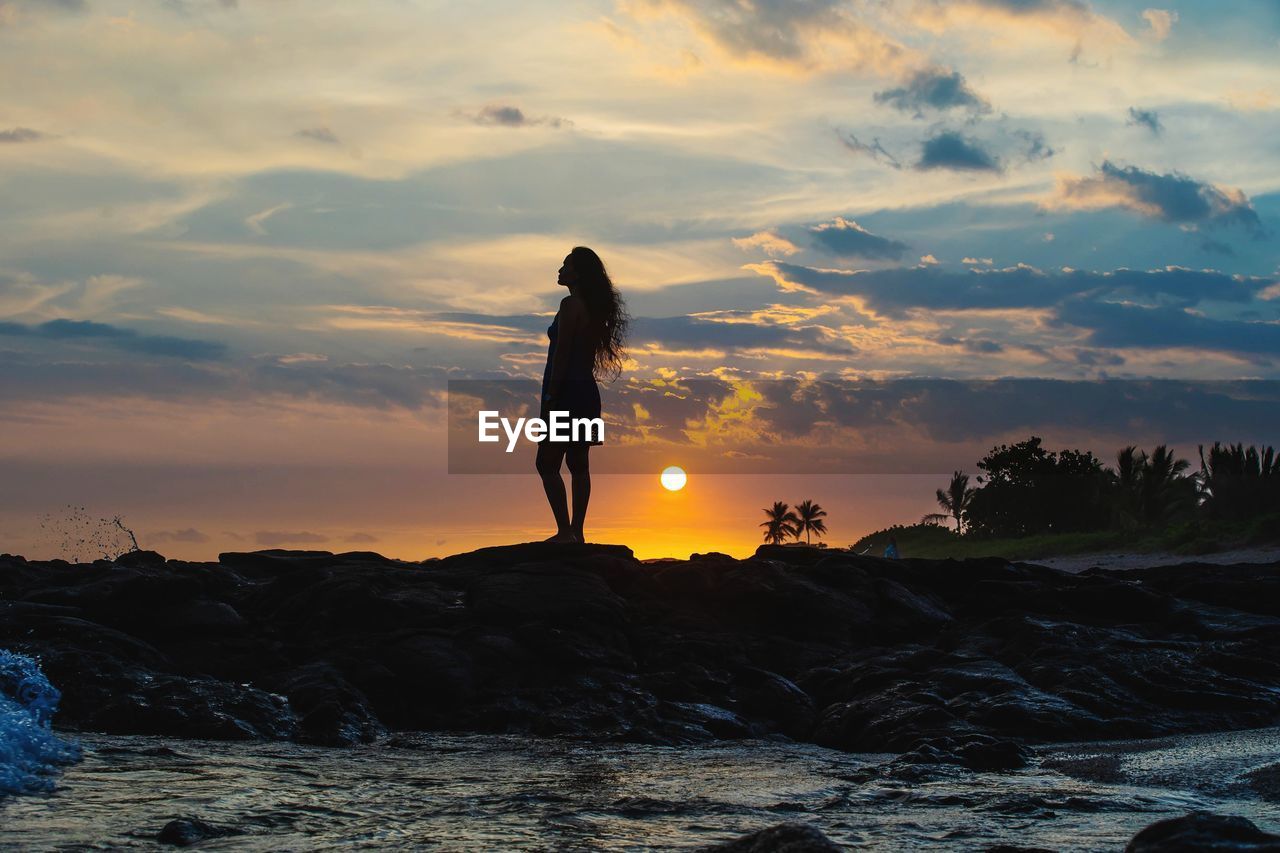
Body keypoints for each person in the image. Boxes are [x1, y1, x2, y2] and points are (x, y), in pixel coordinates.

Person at [536, 247, 629, 544]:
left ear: (578, 272)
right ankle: (577, 532)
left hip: (565, 391)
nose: (560, 269)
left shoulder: (570, 305)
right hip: (586, 391)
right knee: (578, 465)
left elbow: (562, 354)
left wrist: (551, 396)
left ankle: (565, 532)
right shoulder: (593, 309)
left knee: (546, 463)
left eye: (566, 265)